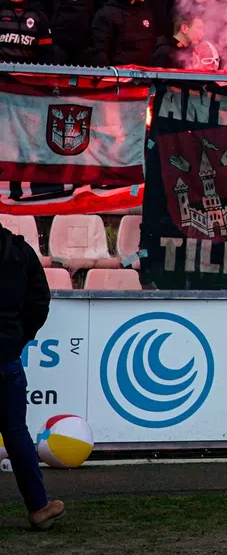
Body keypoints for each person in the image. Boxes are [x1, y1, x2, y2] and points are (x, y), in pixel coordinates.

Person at [0, 204, 59, 529]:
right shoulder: (19, 251)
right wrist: (18, 338)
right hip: (5, 355)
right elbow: (39, 301)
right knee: (16, 433)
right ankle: (38, 507)